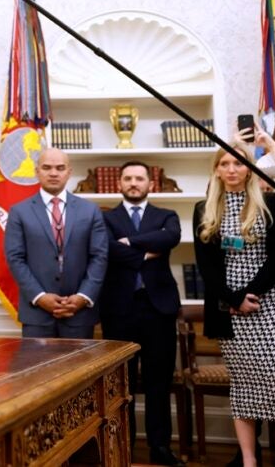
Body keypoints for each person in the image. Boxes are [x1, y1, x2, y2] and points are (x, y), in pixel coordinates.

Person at [193, 146, 275, 467]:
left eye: (238, 162)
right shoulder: (203, 208)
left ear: (249, 169)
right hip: (229, 310)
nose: (231, 169)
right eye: (224, 163)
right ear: (216, 170)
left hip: (270, 303)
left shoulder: (270, 202)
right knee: (245, 387)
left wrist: (252, 294)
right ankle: (249, 461)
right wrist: (233, 299)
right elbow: (205, 264)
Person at [100, 161, 183, 466]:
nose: (133, 183)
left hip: (158, 309)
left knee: (158, 383)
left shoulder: (167, 216)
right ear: (118, 183)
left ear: (151, 183)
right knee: (122, 386)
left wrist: (131, 244)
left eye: (139, 178)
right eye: (128, 178)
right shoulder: (106, 219)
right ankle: (123, 446)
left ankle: (159, 448)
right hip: (119, 310)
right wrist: (148, 251)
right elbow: (108, 249)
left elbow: (170, 238)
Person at [4, 147, 108, 338]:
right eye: (47, 167)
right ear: (37, 171)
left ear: (69, 172)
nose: (53, 173)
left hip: (79, 313)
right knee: (38, 368)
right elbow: (15, 258)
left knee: (81, 368)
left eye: (60, 168)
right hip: (36, 313)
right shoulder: (19, 212)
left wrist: (82, 297)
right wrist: (40, 297)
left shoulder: (90, 211)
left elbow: (99, 257)